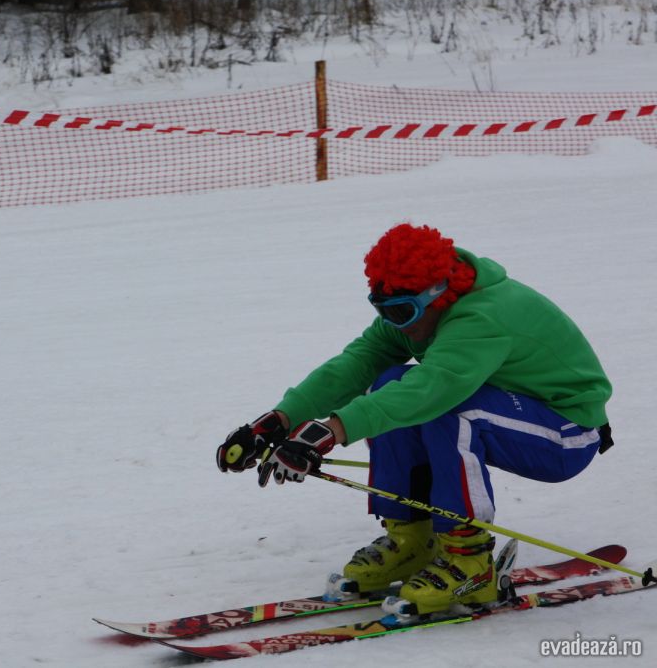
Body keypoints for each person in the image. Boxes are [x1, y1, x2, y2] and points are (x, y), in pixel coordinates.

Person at [216, 223, 613, 615]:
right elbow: (356, 364)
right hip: (505, 410)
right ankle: (412, 539)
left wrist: (332, 430)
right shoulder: (416, 314)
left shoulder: (482, 317)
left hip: (566, 433)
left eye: (402, 311)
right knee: (387, 382)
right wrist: (280, 420)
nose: (395, 323)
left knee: (445, 405)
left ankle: (470, 561)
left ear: (438, 293)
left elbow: (431, 390)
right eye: (382, 310)